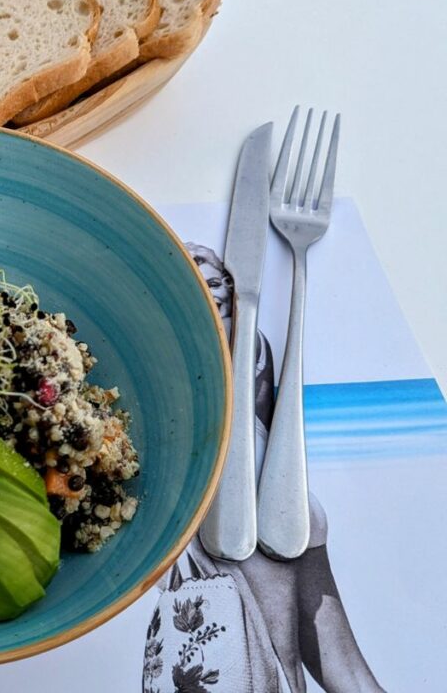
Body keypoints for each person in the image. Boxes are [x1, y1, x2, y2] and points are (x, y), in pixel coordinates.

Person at [143, 245, 384, 693]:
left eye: (216, 283)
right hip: (269, 502)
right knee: (343, 671)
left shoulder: (238, 343)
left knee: (281, 665)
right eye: (196, 284)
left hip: (246, 509)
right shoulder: (183, 348)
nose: (210, 294)